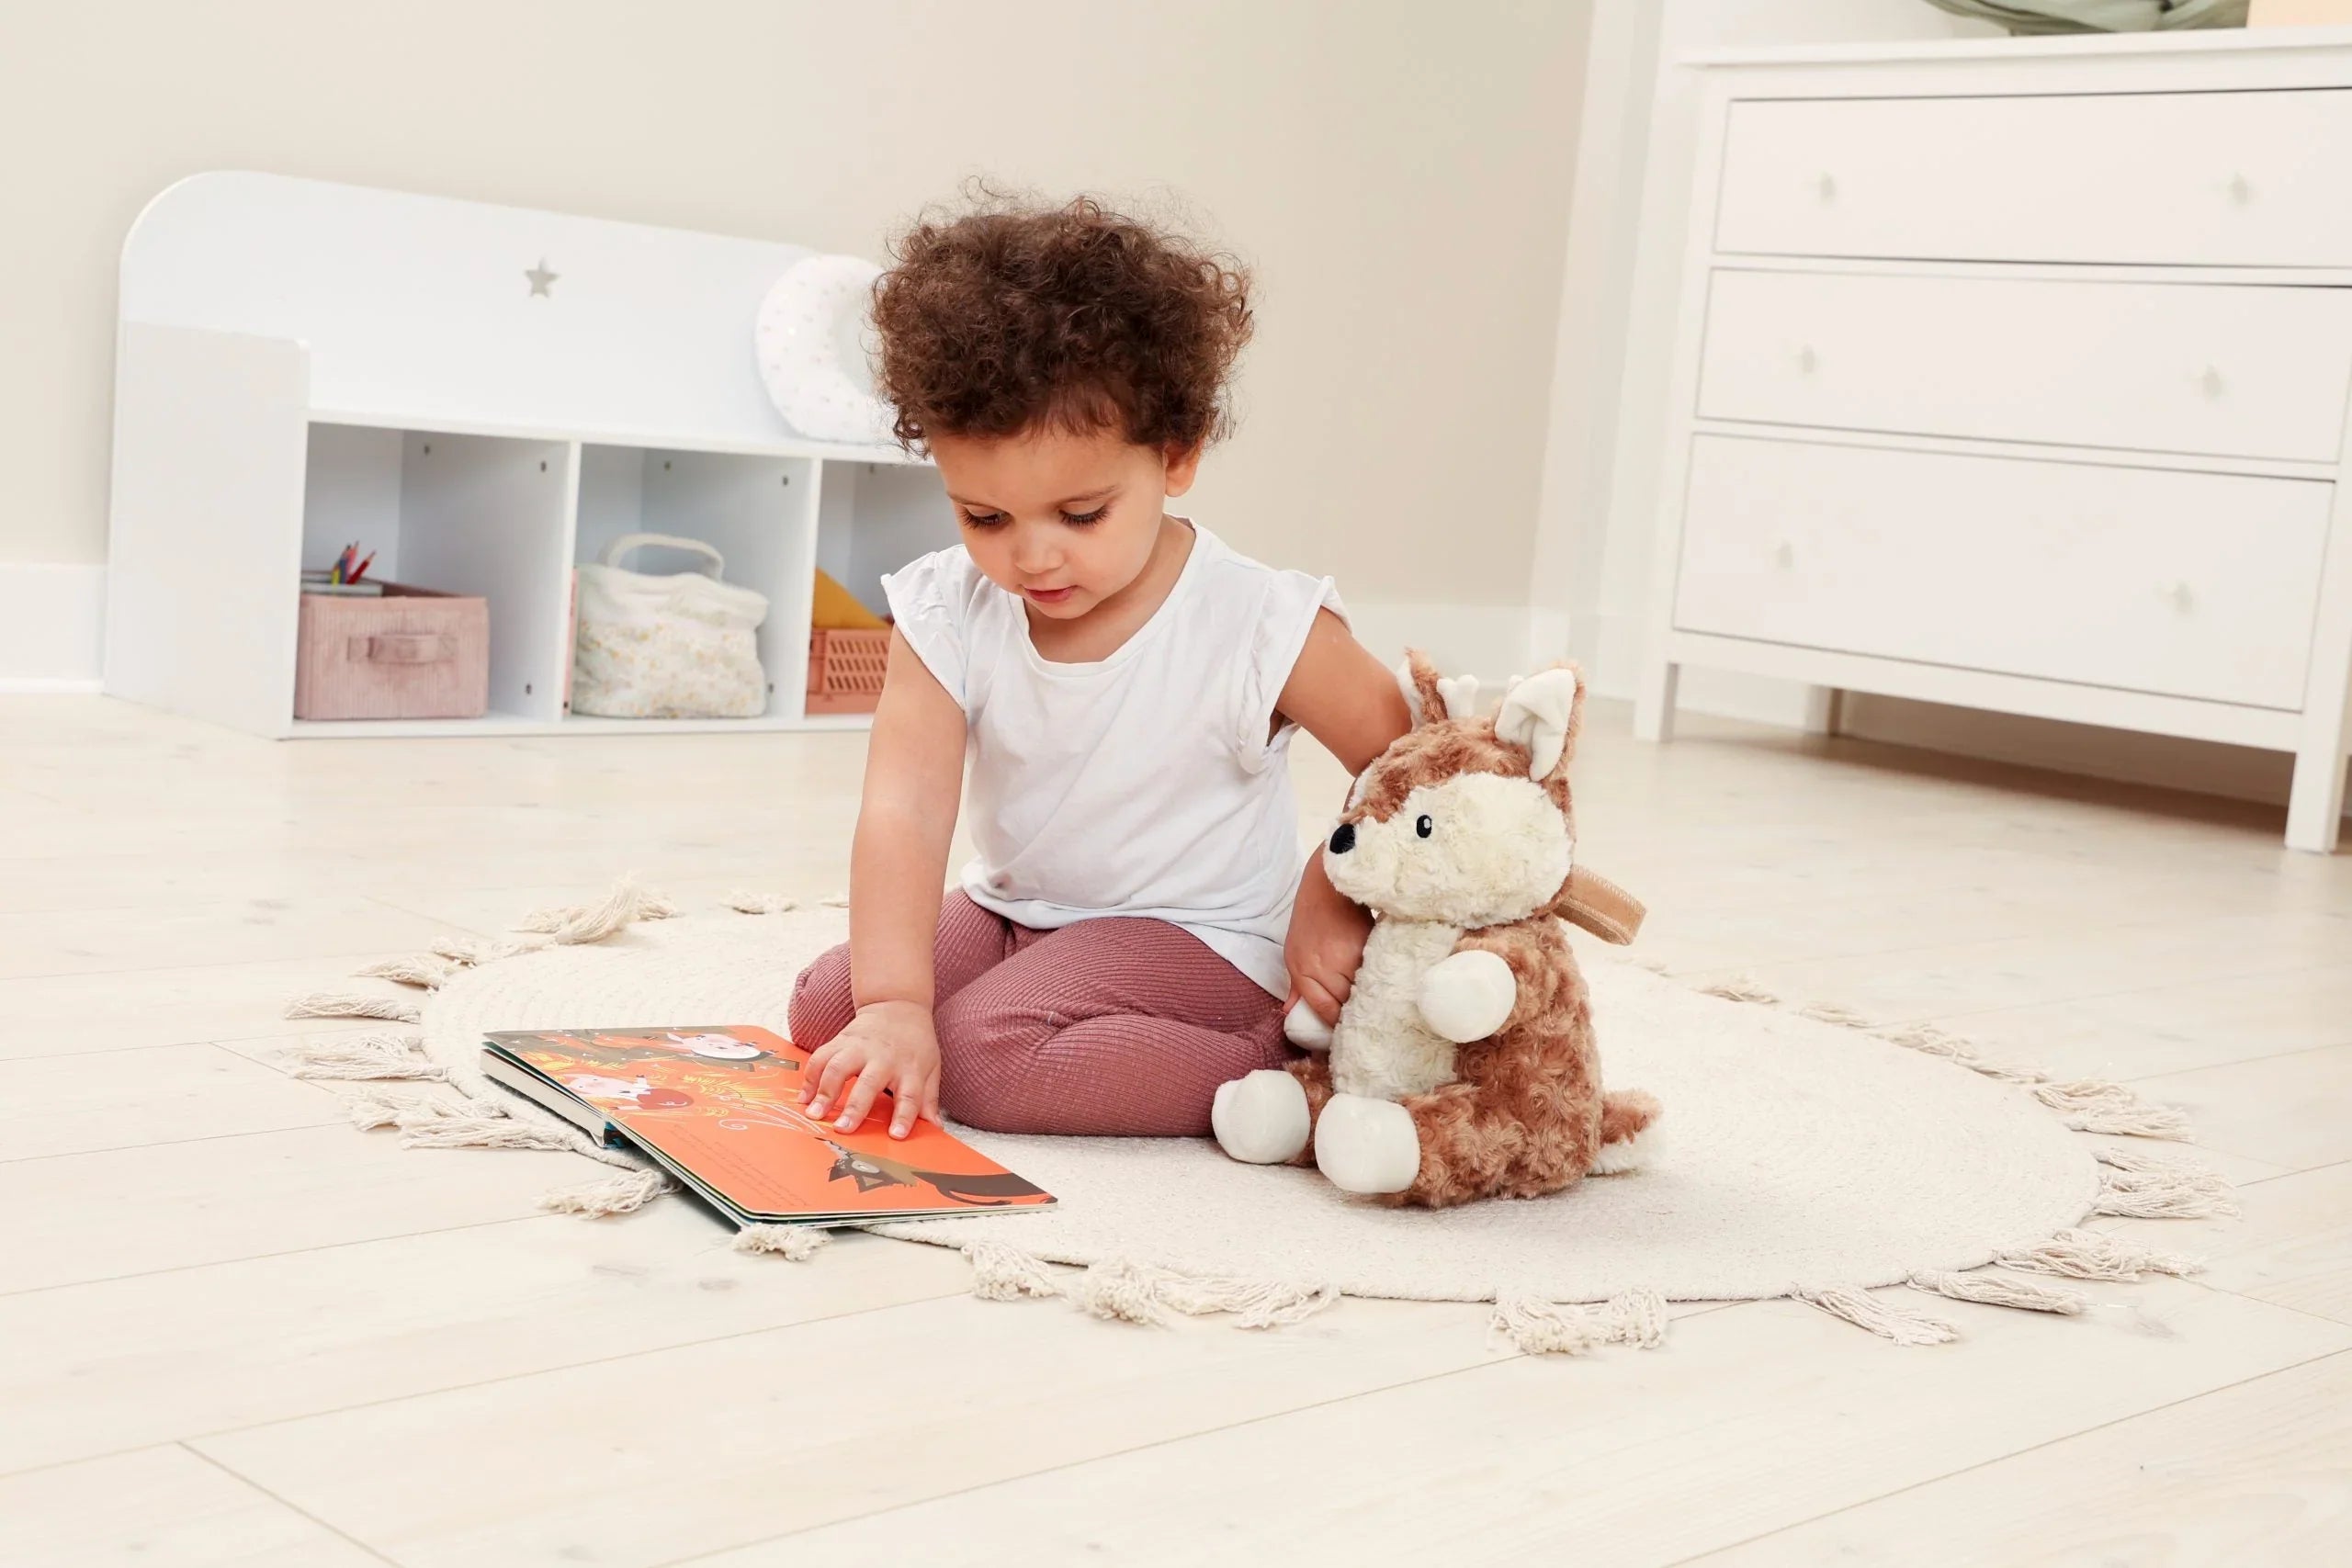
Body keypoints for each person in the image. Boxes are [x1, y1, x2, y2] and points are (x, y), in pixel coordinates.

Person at [789, 192, 1410, 1140]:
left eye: (1080, 515)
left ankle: (1288, 1061)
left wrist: (1331, 892)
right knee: (833, 1007)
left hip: (1200, 937)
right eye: (984, 517)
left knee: (984, 1063)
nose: (1031, 557)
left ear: (1175, 457)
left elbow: (1414, 764)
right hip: (1019, 910)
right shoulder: (948, 606)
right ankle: (1006, 1002)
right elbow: (903, 809)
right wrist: (893, 1005)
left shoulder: (1256, 621)